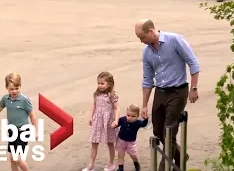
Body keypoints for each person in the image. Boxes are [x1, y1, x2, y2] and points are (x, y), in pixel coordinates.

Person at [134, 19, 200, 171]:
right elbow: (147, 79)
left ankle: (162, 168)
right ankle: (180, 155)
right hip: (160, 91)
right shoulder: (147, 52)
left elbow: (193, 62)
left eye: (142, 37)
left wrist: (194, 88)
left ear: (151, 31)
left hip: (178, 91)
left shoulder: (175, 40)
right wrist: (144, 105)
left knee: (169, 131)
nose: (141, 41)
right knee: (158, 131)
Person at [0, 73, 38, 171]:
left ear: (20, 86)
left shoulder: (24, 100)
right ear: (7, 88)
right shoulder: (5, 99)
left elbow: (32, 116)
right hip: (12, 131)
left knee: (16, 157)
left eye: (16, 88)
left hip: (23, 131)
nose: (14, 91)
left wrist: (36, 131)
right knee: (12, 159)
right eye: (11, 89)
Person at [82, 71, 120, 171]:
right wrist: (91, 117)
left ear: (109, 84)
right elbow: (94, 105)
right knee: (94, 142)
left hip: (108, 121)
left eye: (102, 83)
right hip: (98, 120)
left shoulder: (112, 95)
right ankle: (91, 165)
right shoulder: (96, 94)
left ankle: (111, 164)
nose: (100, 85)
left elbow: (116, 108)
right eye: (98, 83)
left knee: (110, 142)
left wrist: (116, 121)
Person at [111, 104, 148, 171]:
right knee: (120, 155)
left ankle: (136, 162)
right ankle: (120, 168)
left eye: (133, 116)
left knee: (133, 155)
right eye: (128, 115)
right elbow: (117, 123)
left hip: (131, 142)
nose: (130, 117)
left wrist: (145, 119)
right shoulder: (123, 119)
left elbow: (144, 124)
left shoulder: (137, 122)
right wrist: (113, 125)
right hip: (121, 141)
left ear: (137, 116)